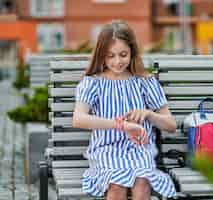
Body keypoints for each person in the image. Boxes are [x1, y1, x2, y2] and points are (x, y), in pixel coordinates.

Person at [72, 20, 177, 200]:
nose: (117, 61)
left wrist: (149, 114)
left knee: (142, 183)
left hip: (139, 151)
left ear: (132, 52)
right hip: (106, 151)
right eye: (110, 56)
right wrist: (121, 125)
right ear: (101, 55)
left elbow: (171, 125)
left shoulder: (144, 82)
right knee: (117, 185)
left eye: (123, 54)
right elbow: (78, 119)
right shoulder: (93, 83)